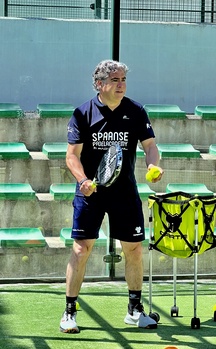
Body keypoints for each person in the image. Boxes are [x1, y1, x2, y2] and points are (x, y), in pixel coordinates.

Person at [60, 59, 163, 333]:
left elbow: (150, 146)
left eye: (123, 80)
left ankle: (134, 310)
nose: (121, 85)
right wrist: (82, 180)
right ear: (99, 84)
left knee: (134, 250)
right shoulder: (83, 113)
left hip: (125, 192)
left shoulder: (136, 111)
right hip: (90, 193)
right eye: (115, 80)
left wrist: (153, 164)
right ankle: (69, 312)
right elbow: (72, 156)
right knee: (81, 249)